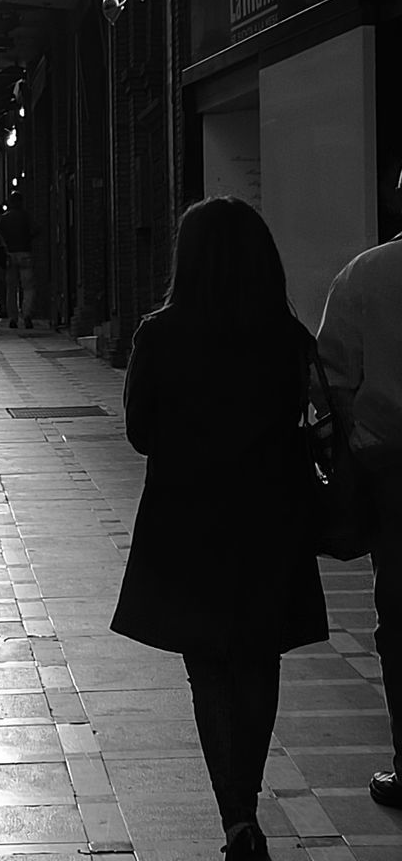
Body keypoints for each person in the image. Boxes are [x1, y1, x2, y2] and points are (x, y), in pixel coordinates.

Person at [110, 196, 327, 861]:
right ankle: (247, 801)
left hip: (188, 521)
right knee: (258, 662)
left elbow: (141, 434)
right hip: (271, 519)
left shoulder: (161, 333)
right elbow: (315, 423)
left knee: (209, 669)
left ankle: (236, 818)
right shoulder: (288, 338)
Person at [315, 233, 402, 808]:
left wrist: (355, 441)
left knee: (399, 615)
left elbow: (332, 377)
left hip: (393, 466)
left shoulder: (366, 274)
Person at [0, 190, 36, 328]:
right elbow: (35, 230)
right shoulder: (26, 216)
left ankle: (13, 318)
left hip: (10, 254)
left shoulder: (4, 218)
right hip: (25, 253)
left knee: (11, 288)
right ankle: (27, 314)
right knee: (28, 287)